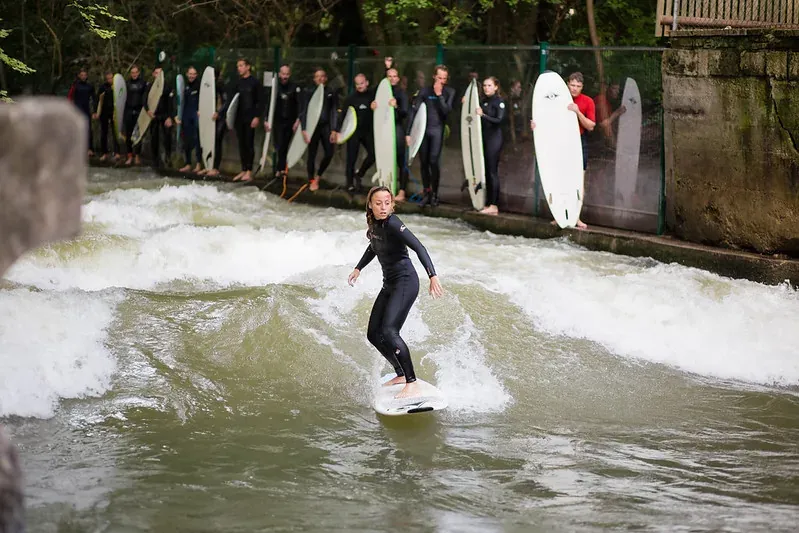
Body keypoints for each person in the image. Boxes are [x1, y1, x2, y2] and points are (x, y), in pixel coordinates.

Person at [348, 186, 444, 399]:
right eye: (378, 203)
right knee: (374, 334)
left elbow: (419, 247)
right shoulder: (373, 225)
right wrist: (358, 268)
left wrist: (432, 275)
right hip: (389, 284)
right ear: (370, 205)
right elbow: (374, 246)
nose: (383, 207)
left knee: (390, 332)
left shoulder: (393, 223)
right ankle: (400, 373)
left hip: (405, 282)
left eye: (387, 203)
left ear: (392, 205)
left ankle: (412, 381)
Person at [530, 71, 595, 229]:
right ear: (567, 84)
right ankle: (559, 214)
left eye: (578, 86)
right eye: (572, 85)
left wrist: (577, 111)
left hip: (577, 143)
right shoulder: (555, 99)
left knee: (578, 178)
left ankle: (576, 216)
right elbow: (546, 120)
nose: (574, 89)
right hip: (557, 142)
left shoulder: (587, 101)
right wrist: (536, 127)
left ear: (582, 87)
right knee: (558, 176)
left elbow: (591, 126)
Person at [405, 65, 455, 207]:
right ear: (434, 76)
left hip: (437, 130)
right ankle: (426, 192)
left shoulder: (449, 92)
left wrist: (439, 95)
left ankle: (435, 194)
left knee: (434, 161)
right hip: (423, 131)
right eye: (439, 77)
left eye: (444, 78)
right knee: (424, 162)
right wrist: (409, 133)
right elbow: (414, 112)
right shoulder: (424, 91)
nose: (442, 81)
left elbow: (446, 111)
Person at [220, 58, 261, 182]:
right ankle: (243, 169)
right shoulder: (237, 83)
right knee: (242, 144)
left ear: (248, 67)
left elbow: (260, 101)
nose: (239, 68)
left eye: (242, 65)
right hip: (239, 118)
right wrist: (226, 116)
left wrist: (257, 116)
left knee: (249, 143)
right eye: (238, 66)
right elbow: (231, 102)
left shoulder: (255, 82)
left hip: (250, 118)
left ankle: (249, 170)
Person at [335, 73, 375, 193]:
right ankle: (349, 183)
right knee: (351, 158)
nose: (360, 86)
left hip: (367, 131)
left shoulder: (372, 96)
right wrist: (337, 131)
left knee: (373, 154)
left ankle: (360, 174)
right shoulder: (351, 98)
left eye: (362, 83)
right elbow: (342, 116)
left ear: (367, 83)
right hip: (354, 132)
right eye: (357, 84)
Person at [300, 68, 338, 191]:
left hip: (325, 125)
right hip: (312, 127)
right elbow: (304, 111)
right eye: (317, 76)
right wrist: (304, 129)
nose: (320, 78)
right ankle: (311, 180)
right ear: (314, 79)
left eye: (322, 76)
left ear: (326, 78)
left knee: (329, 152)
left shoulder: (331, 92)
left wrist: (333, 129)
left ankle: (318, 176)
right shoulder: (309, 91)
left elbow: (334, 111)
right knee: (312, 154)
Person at [377, 63, 410, 202]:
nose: (392, 79)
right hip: (384, 129)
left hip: (397, 128)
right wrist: (373, 107)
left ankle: (401, 191)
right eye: (389, 76)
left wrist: (395, 106)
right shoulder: (381, 92)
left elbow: (405, 113)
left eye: (394, 76)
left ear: (398, 78)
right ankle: (387, 189)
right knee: (386, 159)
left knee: (401, 161)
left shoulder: (401, 93)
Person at [263, 64, 302, 179]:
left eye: (287, 74)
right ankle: (279, 168)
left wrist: (298, 120)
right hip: (278, 121)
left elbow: (299, 105)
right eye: (283, 74)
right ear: (279, 74)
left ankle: (281, 169)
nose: (285, 76)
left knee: (285, 145)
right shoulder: (275, 87)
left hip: (290, 121)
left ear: (289, 74)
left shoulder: (294, 87)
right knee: (279, 144)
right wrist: (266, 119)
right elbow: (268, 104)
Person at [477, 76, 506, 215]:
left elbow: (499, 120)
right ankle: (488, 203)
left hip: (495, 139)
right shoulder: (484, 101)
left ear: (496, 87)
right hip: (485, 138)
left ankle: (494, 204)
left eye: (489, 85)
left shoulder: (498, 101)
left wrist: (483, 116)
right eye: (484, 85)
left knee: (492, 171)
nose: (486, 88)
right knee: (487, 171)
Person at [143, 66, 174, 169]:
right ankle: (155, 160)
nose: (158, 75)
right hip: (154, 115)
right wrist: (148, 111)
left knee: (167, 137)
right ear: (153, 74)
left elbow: (171, 103)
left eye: (160, 73)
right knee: (154, 138)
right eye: (156, 73)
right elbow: (144, 100)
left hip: (165, 115)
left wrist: (170, 117)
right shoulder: (149, 86)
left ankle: (168, 158)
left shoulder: (167, 86)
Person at [176, 66, 203, 173]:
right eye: (190, 74)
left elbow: (205, 98)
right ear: (187, 74)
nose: (192, 76)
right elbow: (180, 101)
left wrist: (201, 110)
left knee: (197, 139)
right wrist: (178, 115)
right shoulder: (184, 85)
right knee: (187, 139)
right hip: (186, 114)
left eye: (194, 74)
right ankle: (188, 163)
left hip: (195, 114)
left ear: (196, 75)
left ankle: (198, 164)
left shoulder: (199, 85)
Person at [67, 68, 96, 157]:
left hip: (86, 109)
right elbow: (69, 98)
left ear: (87, 76)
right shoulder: (75, 85)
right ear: (79, 76)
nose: (83, 77)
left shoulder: (90, 86)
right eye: (82, 75)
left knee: (88, 129)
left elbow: (94, 99)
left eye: (85, 75)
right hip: (77, 110)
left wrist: (94, 111)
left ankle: (89, 148)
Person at [93, 71, 120, 161]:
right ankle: (104, 153)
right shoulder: (102, 87)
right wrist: (95, 112)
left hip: (114, 112)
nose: (109, 80)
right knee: (104, 133)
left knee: (115, 133)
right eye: (108, 78)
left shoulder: (117, 86)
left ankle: (117, 152)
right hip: (104, 112)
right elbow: (97, 99)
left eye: (111, 78)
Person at [123, 65, 146, 166]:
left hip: (139, 111)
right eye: (132, 73)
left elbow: (146, 97)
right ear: (130, 73)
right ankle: (129, 156)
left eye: (136, 72)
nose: (134, 74)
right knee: (128, 135)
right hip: (128, 111)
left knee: (138, 135)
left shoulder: (143, 83)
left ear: (138, 73)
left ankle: (137, 156)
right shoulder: (127, 84)